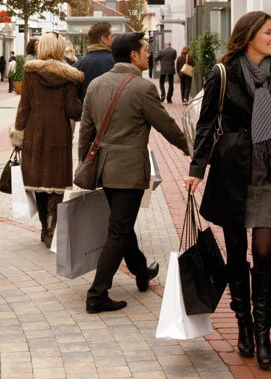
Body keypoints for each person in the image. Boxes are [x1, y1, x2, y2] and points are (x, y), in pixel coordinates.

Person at [185, 11, 271, 369]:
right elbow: (206, 125)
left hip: (267, 176)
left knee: (264, 254)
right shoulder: (223, 73)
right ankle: (243, 326)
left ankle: (263, 333)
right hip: (232, 173)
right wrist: (197, 169)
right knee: (235, 254)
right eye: (268, 32)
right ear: (248, 36)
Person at [79, 33, 189, 313]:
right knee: (119, 230)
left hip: (104, 169)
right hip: (129, 172)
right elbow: (167, 125)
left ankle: (141, 271)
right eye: (145, 50)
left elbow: (86, 131)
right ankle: (97, 294)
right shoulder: (142, 88)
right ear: (133, 56)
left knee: (121, 224)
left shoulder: (96, 85)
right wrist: (192, 149)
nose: (149, 54)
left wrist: (84, 164)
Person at [13, 33, 84, 247]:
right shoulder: (69, 76)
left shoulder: (30, 73)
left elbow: (24, 107)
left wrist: (18, 133)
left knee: (38, 182)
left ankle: (44, 226)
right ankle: (53, 227)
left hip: (34, 132)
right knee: (56, 183)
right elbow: (73, 111)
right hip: (59, 133)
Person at [74, 21, 115, 101]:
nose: (113, 40)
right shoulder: (116, 63)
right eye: (111, 37)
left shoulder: (77, 66)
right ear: (103, 39)